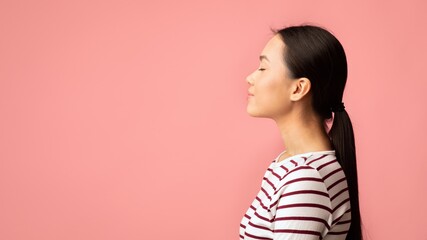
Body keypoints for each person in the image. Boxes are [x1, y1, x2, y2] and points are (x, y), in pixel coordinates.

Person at [239, 25, 362, 240]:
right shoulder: (288, 163)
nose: (250, 77)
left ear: (298, 88)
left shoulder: (306, 179)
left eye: (263, 68)